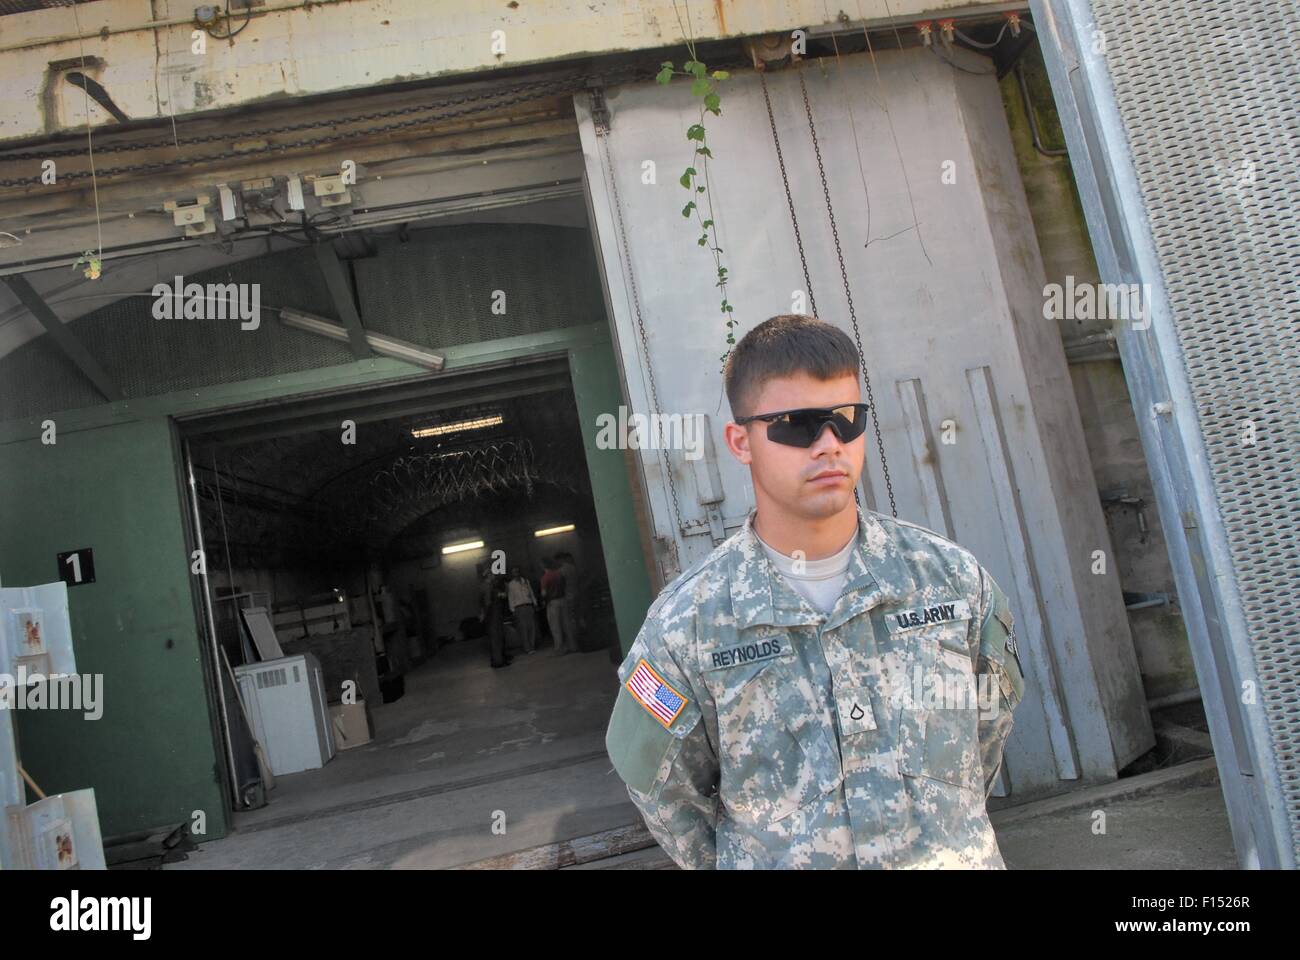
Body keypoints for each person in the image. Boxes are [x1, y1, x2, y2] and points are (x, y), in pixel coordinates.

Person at [604, 314, 1026, 869]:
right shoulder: (688, 626)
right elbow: (665, 791)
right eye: (797, 425)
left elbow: (988, 732)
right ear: (741, 441)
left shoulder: (950, 581)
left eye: (846, 420)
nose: (829, 444)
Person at [478, 564, 511, 669]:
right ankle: (498, 661)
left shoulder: (489, 587)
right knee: (496, 638)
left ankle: (499, 659)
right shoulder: (487, 587)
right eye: (492, 575)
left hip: (493, 616)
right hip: (493, 616)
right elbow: (488, 603)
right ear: (488, 576)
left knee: (497, 638)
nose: (494, 577)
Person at [507, 566, 538, 654]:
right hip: (519, 608)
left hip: (528, 606)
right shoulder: (511, 584)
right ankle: (527, 648)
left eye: (517, 571)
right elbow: (510, 597)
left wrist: (535, 603)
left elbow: (531, 593)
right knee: (523, 628)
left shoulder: (526, 581)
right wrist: (512, 610)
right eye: (514, 571)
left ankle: (532, 646)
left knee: (531, 627)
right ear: (512, 574)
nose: (516, 573)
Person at [540, 557, 568, 656]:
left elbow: (544, 593)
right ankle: (572, 645)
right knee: (566, 624)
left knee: (555, 626)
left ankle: (559, 648)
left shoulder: (545, 577)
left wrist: (543, 602)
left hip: (552, 603)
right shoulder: (559, 574)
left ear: (543, 566)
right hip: (563, 600)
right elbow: (565, 585)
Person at [557, 551, 581, 653]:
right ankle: (581, 639)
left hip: (568, 596)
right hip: (577, 594)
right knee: (578, 618)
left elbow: (561, 585)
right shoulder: (573, 568)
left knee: (570, 621)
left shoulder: (561, 570)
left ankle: (574, 644)